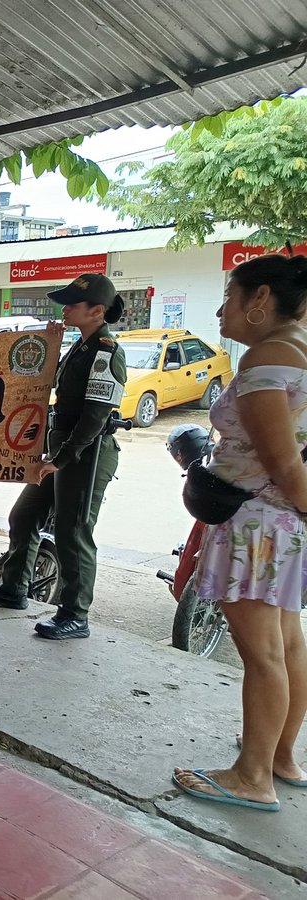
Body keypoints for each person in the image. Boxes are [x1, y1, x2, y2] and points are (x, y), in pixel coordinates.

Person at [172, 254, 307, 813]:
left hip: (255, 524)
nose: (221, 308)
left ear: (260, 300)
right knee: (287, 644)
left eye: (230, 294)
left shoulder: (266, 360)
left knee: (263, 654)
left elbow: (284, 464)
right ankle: (278, 755)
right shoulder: (300, 350)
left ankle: (253, 776)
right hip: (280, 524)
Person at [0, 273, 127, 640]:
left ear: (98, 311)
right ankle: (14, 589)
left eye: (74, 303)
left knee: (74, 533)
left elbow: (96, 415)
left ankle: (75, 615)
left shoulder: (106, 352)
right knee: (24, 516)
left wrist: (62, 458)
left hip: (86, 455)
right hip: (60, 452)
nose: (66, 307)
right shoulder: (80, 345)